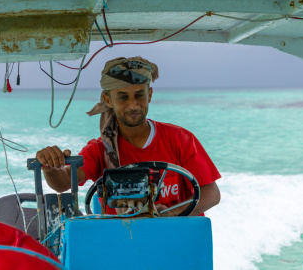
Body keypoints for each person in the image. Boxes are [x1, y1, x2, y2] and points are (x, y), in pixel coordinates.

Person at [36, 56, 221, 216]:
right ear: (108, 100)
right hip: (122, 244)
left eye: (139, 95)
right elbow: (64, 183)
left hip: (177, 241)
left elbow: (211, 194)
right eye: (123, 97)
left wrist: (172, 214)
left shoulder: (181, 139)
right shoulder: (101, 149)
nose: (133, 105)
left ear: (149, 95)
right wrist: (51, 168)